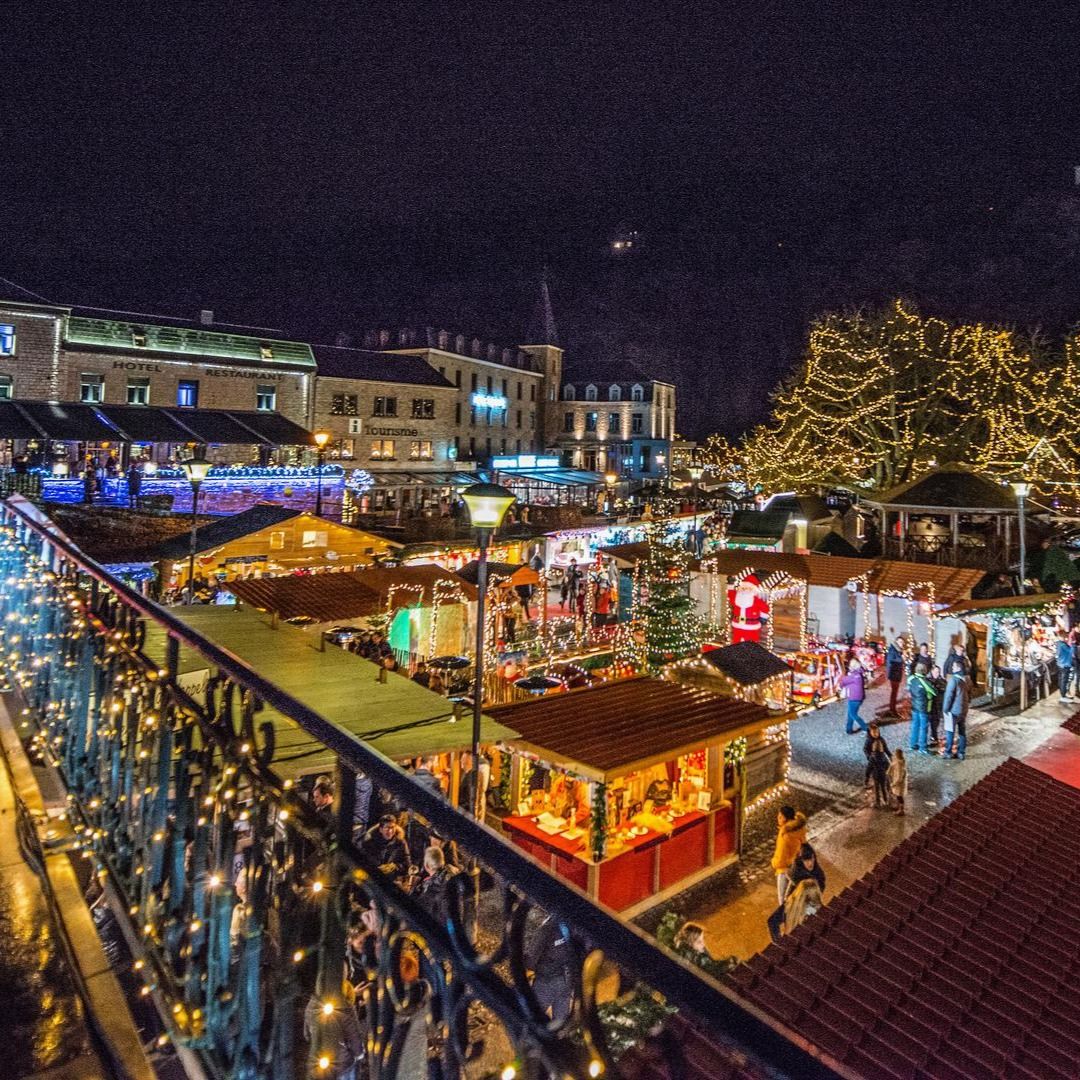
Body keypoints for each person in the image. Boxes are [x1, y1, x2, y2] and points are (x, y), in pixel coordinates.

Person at [767, 843, 826, 943]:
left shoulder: (818, 875)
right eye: (806, 860)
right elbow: (791, 885)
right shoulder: (797, 873)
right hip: (795, 903)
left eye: (811, 859)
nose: (810, 863)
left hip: (804, 905)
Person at [414, 845, 462, 930]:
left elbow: (417, 913)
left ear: (426, 866)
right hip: (457, 924)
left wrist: (413, 888)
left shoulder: (431, 889)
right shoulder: (453, 873)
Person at [770, 805, 808, 905]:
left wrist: (773, 863)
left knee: (783, 900)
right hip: (797, 867)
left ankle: (788, 918)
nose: (778, 819)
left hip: (785, 870)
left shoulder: (785, 835)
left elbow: (781, 858)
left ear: (785, 819)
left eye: (780, 817)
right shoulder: (800, 829)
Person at [360, 814, 409, 881]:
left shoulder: (400, 843)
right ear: (381, 829)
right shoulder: (369, 842)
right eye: (387, 828)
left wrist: (395, 867)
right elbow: (361, 862)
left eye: (392, 827)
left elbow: (407, 864)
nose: (390, 831)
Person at [907, 662, 936, 753]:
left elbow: (909, 686)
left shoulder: (911, 678)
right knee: (923, 727)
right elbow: (934, 692)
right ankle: (923, 747)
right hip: (924, 708)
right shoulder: (925, 682)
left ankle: (912, 744)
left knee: (915, 725)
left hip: (914, 706)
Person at [942, 670, 971, 760]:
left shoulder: (953, 681)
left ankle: (948, 752)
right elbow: (969, 696)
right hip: (963, 710)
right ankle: (961, 753)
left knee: (950, 732)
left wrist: (945, 709)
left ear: (956, 669)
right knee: (962, 732)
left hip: (953, 712)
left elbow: (949, 696)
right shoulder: (966, 681)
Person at [838, 659, 868, 734]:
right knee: (850, 713)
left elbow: (843, 681)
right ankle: (849, 729)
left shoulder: (854, 676)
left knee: (853, 714)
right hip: (857, 697)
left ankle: (865, 728)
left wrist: (841, 681)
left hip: (854, 698)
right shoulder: (858, 674)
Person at [865, 725, 892, 807]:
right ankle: (886, 799)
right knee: (884, 786)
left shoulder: (880, 740)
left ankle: (878, 802)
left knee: (877, 788)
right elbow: (866, 749)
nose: (876, 734)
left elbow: (868, 768)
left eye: (877, 732)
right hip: (883, 773)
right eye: (874, 732)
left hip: (876, 774)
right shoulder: (869, 741)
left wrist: (867, 777)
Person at [885, 636, 906, 717]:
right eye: (900, 642)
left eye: (902, 642)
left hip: (896, 674)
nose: (902, 644)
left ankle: (892, 708)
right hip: (893, 674)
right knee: (894, 693)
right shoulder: (893, 649)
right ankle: (892, 709)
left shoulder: (897, 650)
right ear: (896, 641)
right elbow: (891, 660)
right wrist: (902, 658)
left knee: (894, 692)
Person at [927, 663, 947, 749]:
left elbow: (945, 688)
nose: (937, 673)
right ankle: (933, 736)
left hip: (939, 705)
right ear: (931, 672)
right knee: (932, 721)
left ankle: (934, 736)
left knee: (937, 721)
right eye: (935, 672)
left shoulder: (942, 681)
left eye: (938, 672)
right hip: (931, 705)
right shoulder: (928, 680)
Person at [887, 747, 908, 816]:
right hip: (898, 782)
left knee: (899, 796)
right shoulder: (900, 761)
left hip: (899, 783)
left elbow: (899, 777)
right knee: (898, 795)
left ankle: (901, 810)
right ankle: (899, 807)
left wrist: (893, 784)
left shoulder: (899, 764)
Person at [1057, 631, 1075, 703]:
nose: (1066, 639)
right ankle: (1063, 696)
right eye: (1065, 637)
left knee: (1063, 680)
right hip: (1064, 665)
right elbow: (1070, 651)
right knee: (1064, 681)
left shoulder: (1059, 644)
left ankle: (1063, 694)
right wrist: (1073, 645)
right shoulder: (1063, 645)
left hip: (1061, 664)